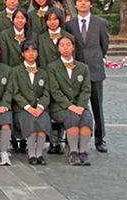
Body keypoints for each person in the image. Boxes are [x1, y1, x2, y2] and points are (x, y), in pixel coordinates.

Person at [64, 0, 109, 153]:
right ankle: (73, 140)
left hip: (95, 71)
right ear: (75, 4)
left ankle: (100, 139)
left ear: (91, 4)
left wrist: (96, 59)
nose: (82, 4)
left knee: (97, 106)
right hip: (76, 72)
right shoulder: (70, 24)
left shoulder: (100, 23)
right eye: (79, 1)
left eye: (86, 1)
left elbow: (104, 45)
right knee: (75, 105)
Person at [48, 36, 93, 165]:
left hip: (80, 106)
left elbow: (86, 89)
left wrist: (81, 106)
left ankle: (83, 151)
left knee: (86, 118)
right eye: (62, 45)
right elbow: (55, 90)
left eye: (68, 45)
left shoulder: (82, 67)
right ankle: (73, 152)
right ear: (58, 48)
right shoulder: (53, 67)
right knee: (72, 117)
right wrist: (70, 106)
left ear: (73, 47)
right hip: (60, 107)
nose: (66, 48)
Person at [37, 7, 72, 155]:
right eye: (49, 19)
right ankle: (51, 140)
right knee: (48, 107)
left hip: (63, 77)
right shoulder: (41, 37)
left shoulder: (68, 37)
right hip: (45, 76)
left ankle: (59, 140)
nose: (52, 22)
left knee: (61, 106)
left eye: (55, 19)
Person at [12, 40, 51, 165]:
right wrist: (28, 107)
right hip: (22, 109)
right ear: (23, 54)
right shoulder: (16, 71)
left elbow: (46, 93)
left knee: (42, 119)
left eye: (33, 50)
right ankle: (31, 153)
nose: (31, 53)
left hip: (39, 108)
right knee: (31, 121)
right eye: (27, 51)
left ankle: (39, 153)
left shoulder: (43, 72)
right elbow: (15, 92)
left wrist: (40, 107)